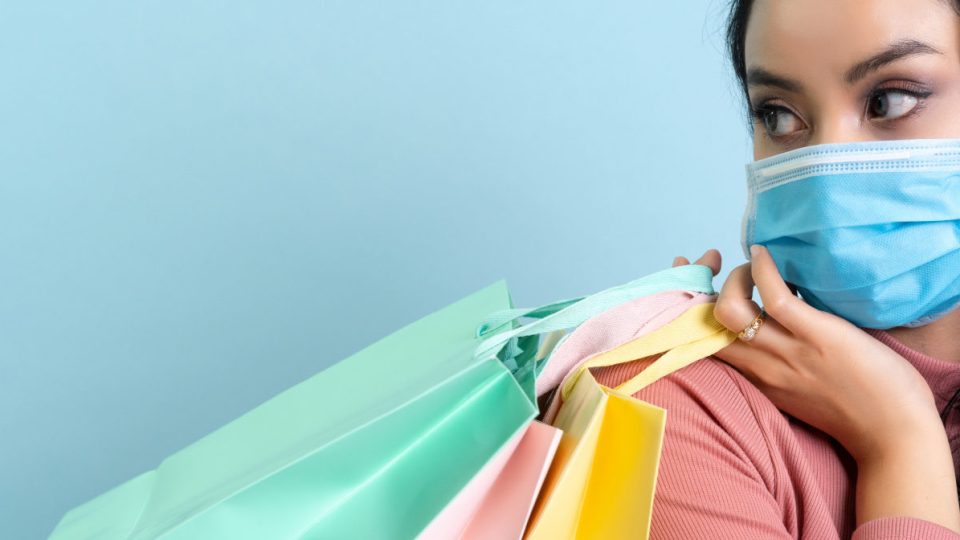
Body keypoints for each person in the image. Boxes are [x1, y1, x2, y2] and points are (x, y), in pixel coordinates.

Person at [593, 0, 960, 537]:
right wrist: (899, 442)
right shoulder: (672, 409)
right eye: (779, 115)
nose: (829, 163)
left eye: (890, 100)